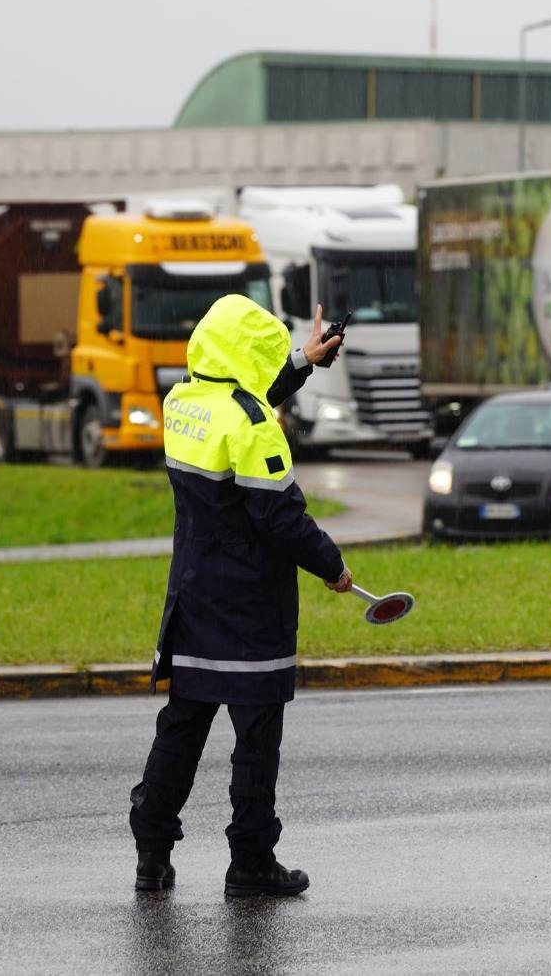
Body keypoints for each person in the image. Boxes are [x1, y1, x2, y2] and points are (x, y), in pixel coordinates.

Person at [129, 296, 351, 898]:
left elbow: (240, 390)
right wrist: (332, 566)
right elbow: (282, 518)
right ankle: (251, 864)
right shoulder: (254, 427)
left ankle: (152, 855)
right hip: (252, 610)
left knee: (181, 729)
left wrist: (302, 361)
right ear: (248, 354)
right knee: (256, 740)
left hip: (193, 600)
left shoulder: (182, 401)